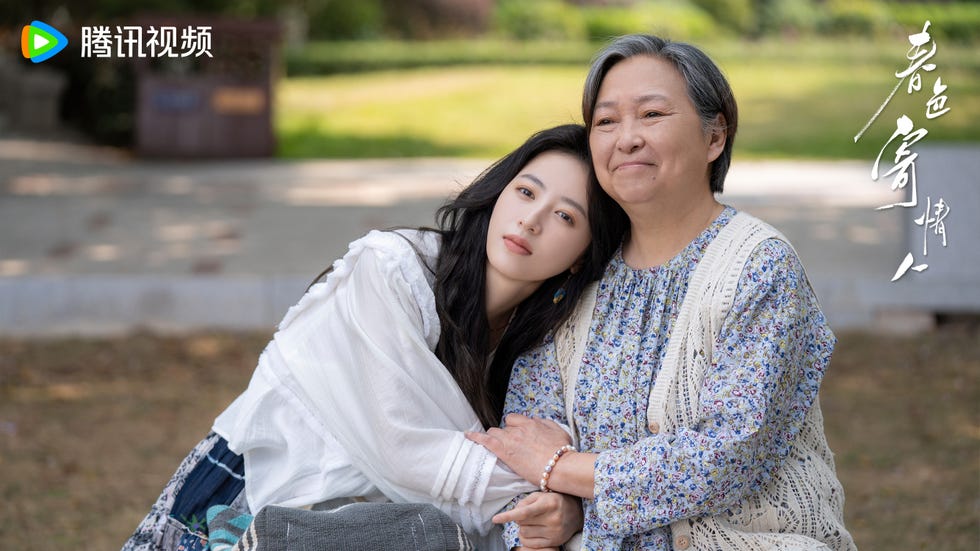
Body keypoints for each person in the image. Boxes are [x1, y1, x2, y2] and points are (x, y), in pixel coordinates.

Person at [121, 123, 628, 551]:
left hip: (382, 528)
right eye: (526, 191)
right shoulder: (392, 270)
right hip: (259, 494)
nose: (532, 220)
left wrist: (559, 496)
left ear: (584, 253)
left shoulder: (543, 341)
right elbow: (403, 447)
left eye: (565, 215)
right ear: (500, 192)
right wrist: (556, 484)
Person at [468, 35, 857, 550]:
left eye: (651, 114)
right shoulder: (581, 270)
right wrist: (551, 506)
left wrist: (564, 469)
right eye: (606, 122)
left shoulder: (758, 265)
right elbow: (527, 435)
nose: (626, 138)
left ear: (715, 136)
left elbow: (727, 456)